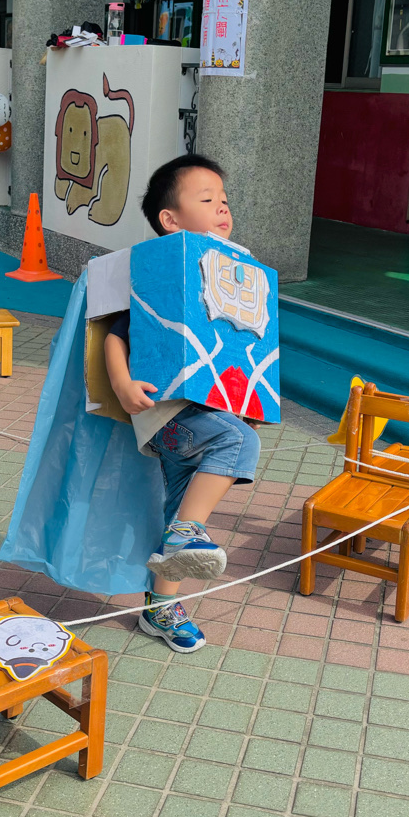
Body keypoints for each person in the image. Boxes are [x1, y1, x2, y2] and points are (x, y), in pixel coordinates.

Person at [99, 155, 260, 652]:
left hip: (206, 409)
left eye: (225, 200)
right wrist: (123, 385)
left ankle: (159, 608)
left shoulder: (231, 273)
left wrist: (251, 397)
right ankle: (187, 534)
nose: (222, 208)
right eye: (207, 199)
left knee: (180, 505)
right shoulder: (160, 274)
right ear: (170, 219)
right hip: (166, 410)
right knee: (238, 443)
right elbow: (116, 334)